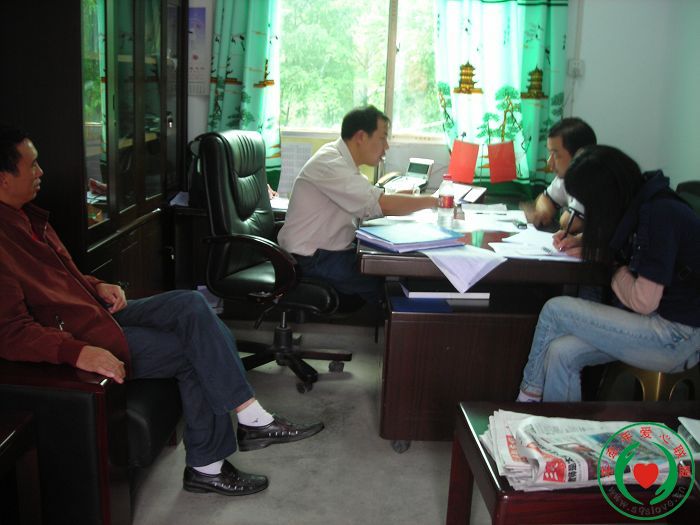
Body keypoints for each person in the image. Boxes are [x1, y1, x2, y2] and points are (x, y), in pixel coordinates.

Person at [0, 126, 324, 496]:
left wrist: (97, 284)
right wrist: (76, 352)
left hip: (94, 311)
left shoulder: (27, 218)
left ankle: (250, 417)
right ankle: (212, 463)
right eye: (32, 164)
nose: (41, 171)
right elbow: (10, 333)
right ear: (3, 177)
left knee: (190, 303)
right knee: (193, 351)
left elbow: (60, 278)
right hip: (81, 333)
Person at [517, 145, 700, 402]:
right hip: (662, 326)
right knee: (560, 352)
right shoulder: (644, 201)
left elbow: (643, 301)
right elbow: (633, 251)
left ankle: (527, 400)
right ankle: (560, 424)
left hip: (676, 337)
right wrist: (588, 245)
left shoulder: (660, 215)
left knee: (554, 310)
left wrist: (612, 266)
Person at [277, 105, 438, 303]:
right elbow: (381, 205)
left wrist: (406, 196)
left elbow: (368, 196)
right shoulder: (330, 164)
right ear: (361, 136)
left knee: (391, 274)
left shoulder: (341, 161)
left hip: (325, 253)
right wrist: (436, 200)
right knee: (388, 285)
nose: (386, 146)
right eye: (382, 138)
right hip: (310, 260)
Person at [521, 118, 597, 235]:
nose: (549, 161)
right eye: (549, 153)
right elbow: (544, 199)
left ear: (579, 155)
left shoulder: (593, 181)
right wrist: (543, 212)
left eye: (556, 155)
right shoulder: (565, 178)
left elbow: (570, 223)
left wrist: (550, 215)